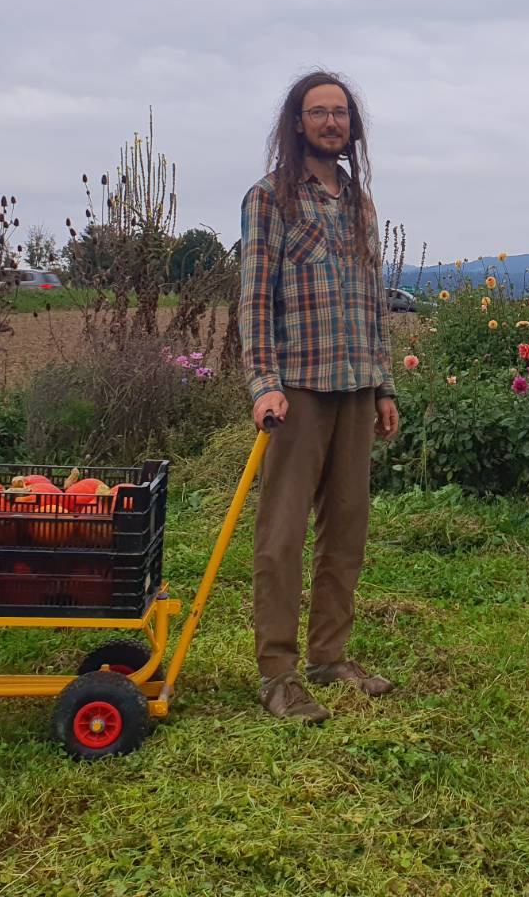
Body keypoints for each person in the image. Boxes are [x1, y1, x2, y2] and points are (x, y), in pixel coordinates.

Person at [237, 70, 402, 723]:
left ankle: (329, 658)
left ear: (350, 126)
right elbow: (253, 300)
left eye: (340, 113)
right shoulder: (269, 199)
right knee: (280, 537)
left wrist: (384, 385)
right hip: (298, 390)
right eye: (318, 112)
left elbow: (374, 303)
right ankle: (277, 674)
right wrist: (263, 385)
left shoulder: (360, 204)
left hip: (357, 390)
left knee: (348, 530)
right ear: (297, 123)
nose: (331, 122)